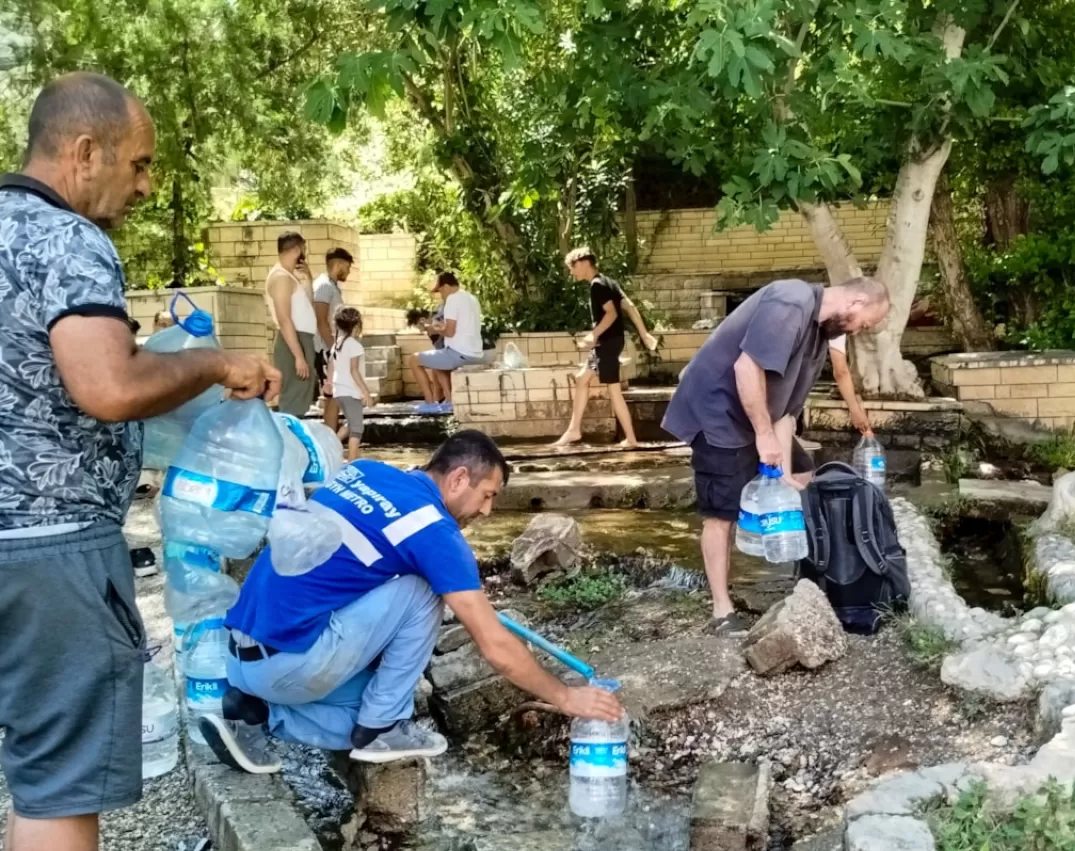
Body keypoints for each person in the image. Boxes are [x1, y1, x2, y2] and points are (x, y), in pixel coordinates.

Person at [0, 72, 279, 851]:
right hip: (50, 557)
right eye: (141, 164)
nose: (146, 185)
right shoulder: (68, 239)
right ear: (85, 153)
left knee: (33, 771)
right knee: (61, 787)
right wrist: (207, 364)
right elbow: (107, 385)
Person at [199, 431, 623, 773]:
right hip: (289, 665)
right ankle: (382, 729)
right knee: (422, 591)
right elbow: (493, 645)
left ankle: (256, 714)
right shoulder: (434, 530)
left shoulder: (362, 471)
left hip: (241, 657)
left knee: (367, 703)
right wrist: (565, 697)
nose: (488, 511)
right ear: (458, 479)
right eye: (488, 494)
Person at [661, 277, 890, 634]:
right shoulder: (791, 301)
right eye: (866, 322)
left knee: (803, 476)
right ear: (857, 301)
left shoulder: (820, 335)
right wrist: (763, 436)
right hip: (717, 412)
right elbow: (746, 368)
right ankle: (722, 613)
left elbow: (786, 411)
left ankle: (810, 580)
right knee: (722, 513)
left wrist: (781, 468)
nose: (862, 330)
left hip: (759, 416)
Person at [554, 248, 660, 448]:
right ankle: (574, 430)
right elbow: (630, 307)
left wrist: (593, 335)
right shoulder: (608, 282)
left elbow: (611, 314)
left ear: (585, 262)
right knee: (581, 378)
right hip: (608, 344)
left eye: (573, 266)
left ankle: (631, 439)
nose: (571, 272)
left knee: (614, 391)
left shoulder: (597, 286)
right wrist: (644, 334)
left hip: (608, 344)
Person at [411, 272, 483, 416]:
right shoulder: (471, 298)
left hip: (460, 353)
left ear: (446, 286)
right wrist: (441, 327)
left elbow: (449, 332)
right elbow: (460, 326)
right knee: (437, 360)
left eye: (440, 290)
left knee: (413, 359)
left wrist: (431, 328)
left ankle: (430, 404)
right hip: (475, 353)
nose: (441, 295)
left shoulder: (452, 299)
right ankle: (449, 401)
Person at [265, 231, 319, 417]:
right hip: (294, 340)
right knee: (294, 396)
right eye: (303, 249)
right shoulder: (281, 278)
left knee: (303, 391)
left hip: (302, 338)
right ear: (297, 248)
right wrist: (298, 356)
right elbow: (284, 318)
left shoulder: (291, 276)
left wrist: (309, 280)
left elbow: (308, 308)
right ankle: (289, 439)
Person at [312, 247, 354, 434]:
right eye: (347, 267)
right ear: (337, 264)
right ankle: (330, 435)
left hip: (332, 349)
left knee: (334, 394)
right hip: (325, 350)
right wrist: (334, 350)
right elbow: (321, 321)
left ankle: (330, 435)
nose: (348, 271)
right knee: (332, 394)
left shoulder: (331, 286)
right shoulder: (323, 286)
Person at [327, 306, 373, 460]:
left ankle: (327, 445)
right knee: (357, 428)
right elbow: (354, 370)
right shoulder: (354, 345)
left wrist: (329, 384)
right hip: (350, 391)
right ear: (356, 325)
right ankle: (353, 460)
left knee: (350, 423)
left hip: (339, 391)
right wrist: (366, 392)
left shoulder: (337, 344)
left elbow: (331, 367)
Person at [826, 334, 875, 437]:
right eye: (863, 324)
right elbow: (841, 372)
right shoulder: (837, 325)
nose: (857, 331)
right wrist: (854, 409)